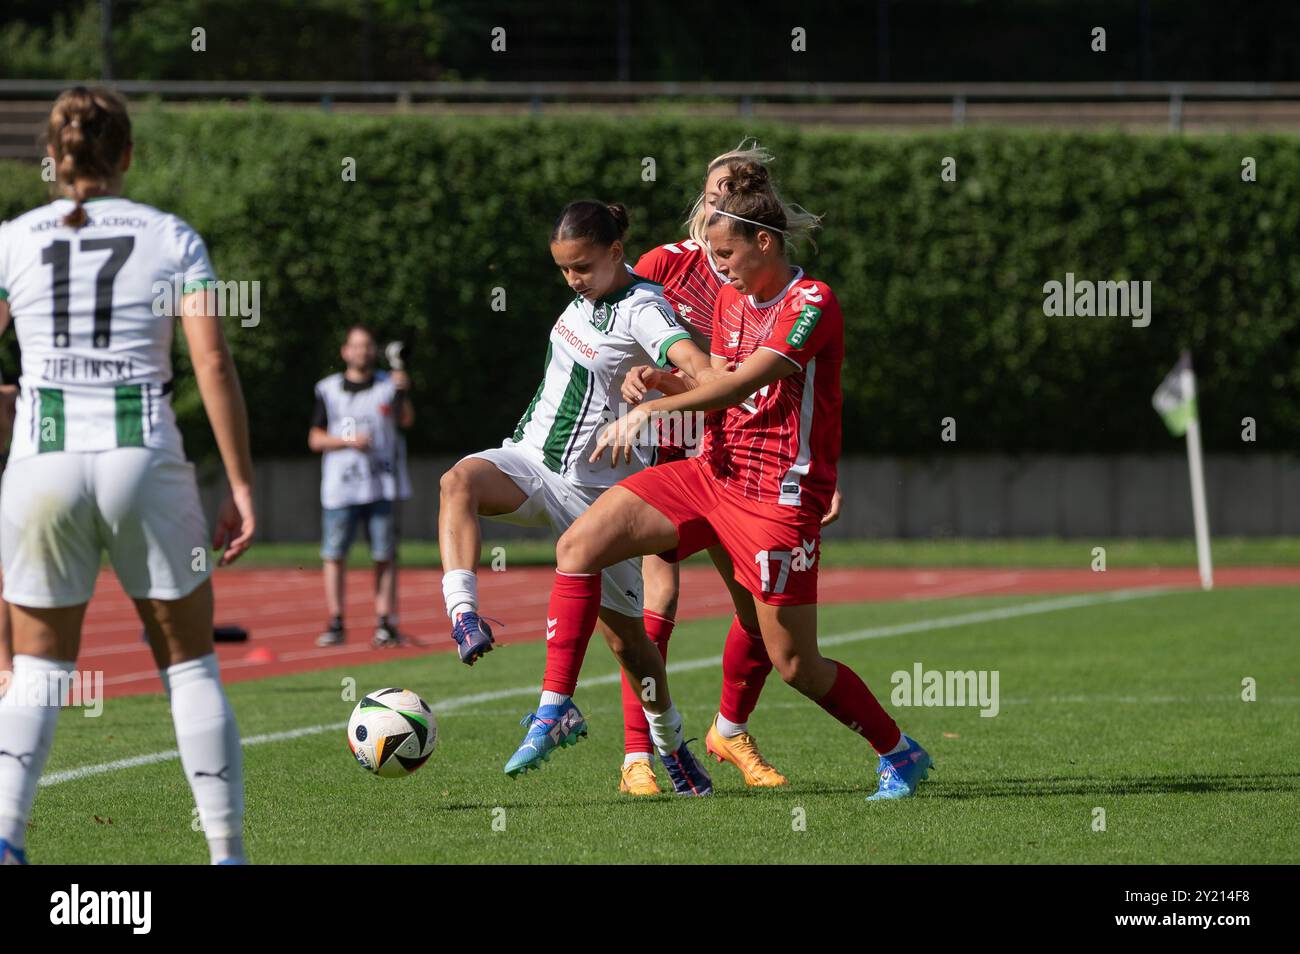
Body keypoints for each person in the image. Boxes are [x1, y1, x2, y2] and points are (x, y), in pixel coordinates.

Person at [533, 163, 933, 800]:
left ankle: (899, 752)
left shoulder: (813, 303)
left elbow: (750, 381)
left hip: (776, 495)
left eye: (725, 254)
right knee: (581, 545)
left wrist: (648, 410)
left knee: (796, 664)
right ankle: (556, 707)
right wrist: (666, 382)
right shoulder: (727, 297)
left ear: (764, 243)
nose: (715, 267)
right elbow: (716, 385)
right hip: (709, 473)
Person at [0, 87, 256, 865]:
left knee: (40, 669)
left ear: (53, 157)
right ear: (128, 154)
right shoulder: (169, 235)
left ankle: (7, 840)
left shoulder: (13, 238)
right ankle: (225, 853)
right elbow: (211, 359)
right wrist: (241, 485)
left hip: (41, 460)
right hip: (141, 454)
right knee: (189, 664)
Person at [437, 199, 714, 794]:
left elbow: (705, 374)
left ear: (616, 253)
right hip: (532, 463)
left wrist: (660, 387)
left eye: (582, 267)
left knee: (632, 646)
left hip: (599, 497)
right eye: (564, 269)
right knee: (457, 480)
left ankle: (672, 749)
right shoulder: (588, 296)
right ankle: (464, 616)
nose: (573, 280)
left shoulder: (644, 308)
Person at [309, 324, 413, 649]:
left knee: (384, 555)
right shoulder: (327, 389)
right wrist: (347, 441)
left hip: (382, 484)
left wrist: (404, 391)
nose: (362, 351)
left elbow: (406, 420)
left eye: (367, 345)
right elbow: (314, 438)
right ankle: (336, 620)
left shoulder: (388, 384)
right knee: (335, 554)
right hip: (341, 486)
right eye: (356, 346)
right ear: (345, 351)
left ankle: (385, 622)